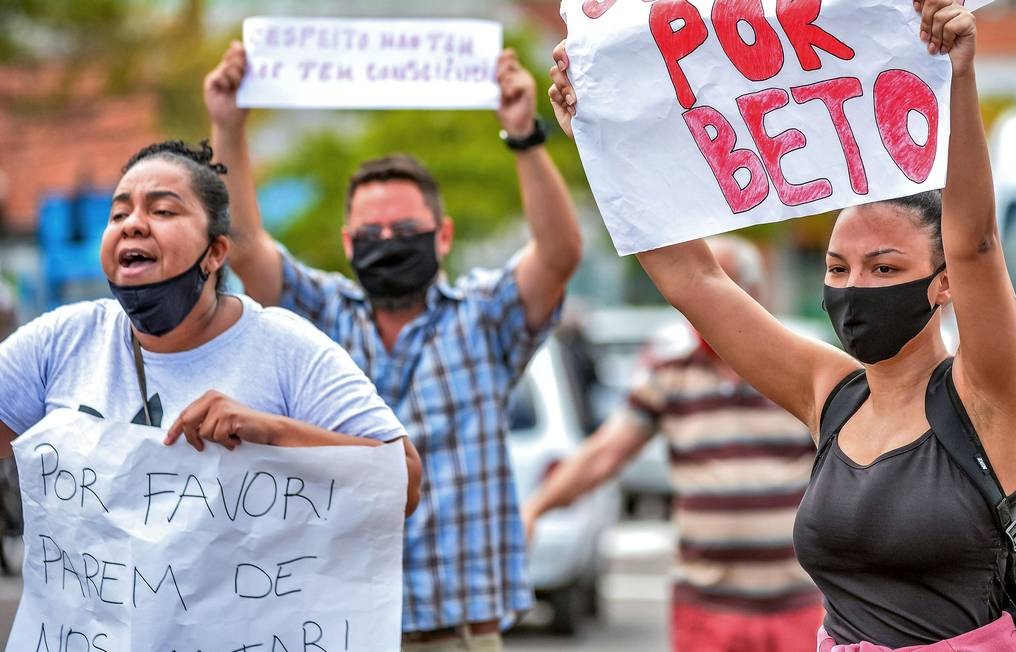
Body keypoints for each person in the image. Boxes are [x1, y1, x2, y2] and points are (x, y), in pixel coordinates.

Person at [550, 1, 1016, 649]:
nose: (854, 286)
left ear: (943, 284)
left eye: (885, 269)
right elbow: (696, 281)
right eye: (836, 267)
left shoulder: (984, 397)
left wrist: (963, 74)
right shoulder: (828, 392)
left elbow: (975, 242)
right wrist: (601, 131)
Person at [204, 42, 581, 650]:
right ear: (349, 243)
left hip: (460, 629)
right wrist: (228, 123)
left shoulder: (486, 318)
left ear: (444, 235)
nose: (389, 242)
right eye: (373, 233)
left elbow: (560, 254)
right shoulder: (319, 316)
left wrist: (522, 135)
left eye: (405, 231)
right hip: (338, 626)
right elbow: (244, 245)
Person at [0, 140, 422, 516]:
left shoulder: (286, 348)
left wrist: (273, 432)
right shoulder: (61, 341)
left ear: (216, 252)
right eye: (119, 213)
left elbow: (403, 481)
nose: (132, 224)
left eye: (163, 210)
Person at [522, 237, 822, 651]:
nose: (697, 310)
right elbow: (603, 455)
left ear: (752, 296)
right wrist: (535, 508)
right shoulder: (672, 377)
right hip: (705, 609)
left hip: (797, 606)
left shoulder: (800, 372)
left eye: (711, 291)